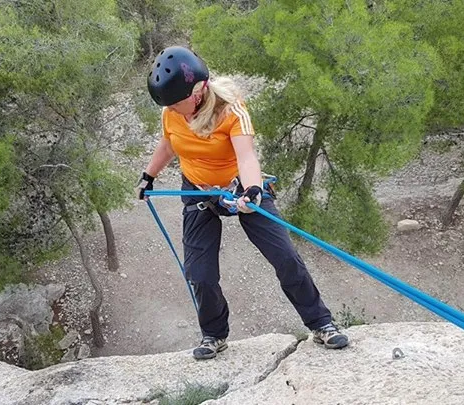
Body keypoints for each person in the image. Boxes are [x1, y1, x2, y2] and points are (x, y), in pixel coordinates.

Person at [136, 45, 349, 360]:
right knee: (200, 273)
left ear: (197, 94)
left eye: (174, 102)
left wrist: (251, 191)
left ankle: (321, 324)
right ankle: (214, 335)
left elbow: (247, 155)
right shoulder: (172, 113)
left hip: (241, 186)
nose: (170, 109)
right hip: (198, 191)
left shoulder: (230, 110)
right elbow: (169, 143)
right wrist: (148, 175)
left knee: (286, 258)